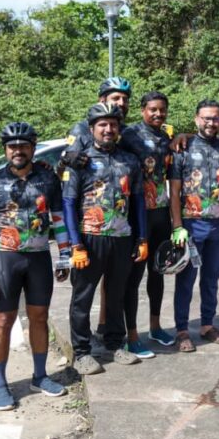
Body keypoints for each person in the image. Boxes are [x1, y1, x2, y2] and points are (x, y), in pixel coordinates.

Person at [0, 122, 70, 410]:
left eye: (24, 145)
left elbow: (58, 220)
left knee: (39, 317)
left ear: (33, 148)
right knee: (3, 321)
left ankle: (40, 376)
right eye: (12, 146)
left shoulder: (48, 179)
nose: (18, 150)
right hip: (6, 258)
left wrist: (64, 256)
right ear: (5, 150)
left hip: (39, 257)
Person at [63, 103, 148, 374]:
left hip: (122, 236)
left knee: (116, 293)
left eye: (113, 124)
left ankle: (114, 343)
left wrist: (142, 237)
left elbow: (138, 202)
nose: (108, 129)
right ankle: (81, 352)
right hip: (90, 238)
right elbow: (68, 203)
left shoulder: (130, 160)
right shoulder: (80, 161)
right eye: (102, 124)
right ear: (91, 129)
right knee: (83, 297)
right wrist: (75, 244)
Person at [58, 76, 132, 343]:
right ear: (102, 99)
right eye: (115, 97)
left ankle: (110, 335)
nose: (121, 102)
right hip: (88, 225)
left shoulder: (127, 131)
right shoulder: (81, 128)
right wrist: (74, 243)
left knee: (115, 289)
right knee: (84, 290)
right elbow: (64, 167)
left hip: (120, 224)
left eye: (125, 99)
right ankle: (81, 346)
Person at [168, 99, 219, 352]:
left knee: (211, 278)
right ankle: (182, 330)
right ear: (197, 119)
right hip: (190, 224)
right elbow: (174, 192)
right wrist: (177, 226)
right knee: (186, 279)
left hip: (218, 224)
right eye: (206, 118)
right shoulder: (183, 148)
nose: (211, 122)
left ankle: (207, 325)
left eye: (215, 118)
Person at [119, 92, 175, 356]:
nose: (158, 114)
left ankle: (155, 327)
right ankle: (131, 335)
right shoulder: (128, 135)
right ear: (143, 110)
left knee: (157, 272)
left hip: (161, 213)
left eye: (162, 110)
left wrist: (183, 136)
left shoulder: (166, 137)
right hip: (136, 215)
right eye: (153, 109)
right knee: (133, 277)